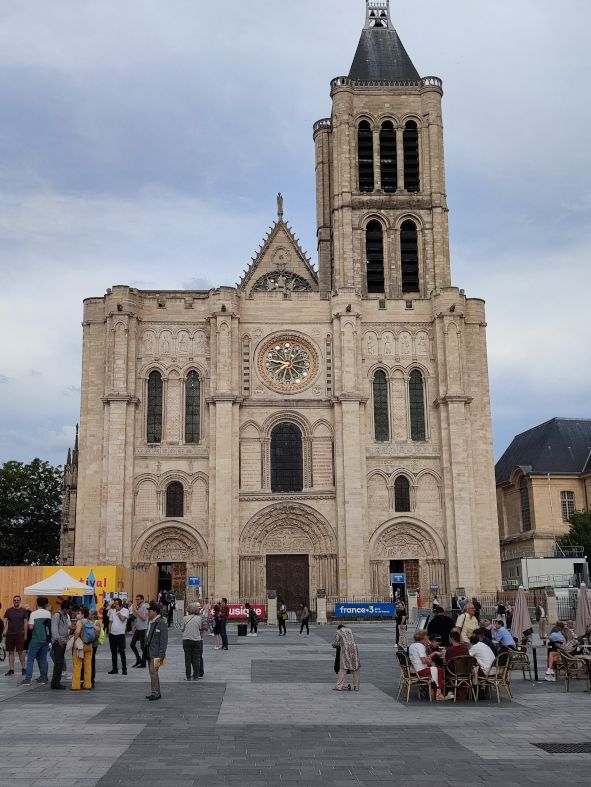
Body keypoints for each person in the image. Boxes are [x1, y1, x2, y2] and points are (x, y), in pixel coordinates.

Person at [408, 629, 448, 701]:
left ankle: (433, 692)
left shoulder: (412, 645)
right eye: (426, 637)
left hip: (415, 669)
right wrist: (431, 663)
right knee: (440, 671)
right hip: (421, 670)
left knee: (435, 670)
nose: (427, 638)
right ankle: (439, 693)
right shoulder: (420, 646)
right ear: (422, 638)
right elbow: (423, 660)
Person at [19, 597, 51, 686]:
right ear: (45, 604)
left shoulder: (33, 613)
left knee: (30, 659)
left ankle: (28, 679)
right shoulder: (48, 613)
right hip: (45, 639)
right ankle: (43, 678)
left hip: (36, 639)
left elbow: (30, 627)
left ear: (37, 604)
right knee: (43, 659)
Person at [146, 602, 168, 701]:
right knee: (153, 673)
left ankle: (154, 693)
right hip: (149, 653)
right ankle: (157, 692)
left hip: (157, 654)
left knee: (153, 672)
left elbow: (164, 641)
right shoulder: (151, 622)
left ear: (154, 612)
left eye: (149, 612)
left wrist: (161, 655)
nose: (148, 614)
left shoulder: (161, 623)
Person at [71, 607, 97, 691]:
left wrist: (74, 639)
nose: (78, 614)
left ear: (82, 614)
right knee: (88, 666)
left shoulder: (80, 622)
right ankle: (88, 684)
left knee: (77, 665)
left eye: (79, 613)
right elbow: (98, 629)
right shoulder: (90, 621)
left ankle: (75, 686)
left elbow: (78, 632)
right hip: (89, 645)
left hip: (81, 645)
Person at [3, 594, 28, 676]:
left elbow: (25, 623)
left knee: (21, 652)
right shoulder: (8, 610)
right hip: (10, 634)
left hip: (20, 633)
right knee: (10, 652)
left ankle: (23, 668)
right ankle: (11, 669)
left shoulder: (24, 611)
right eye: (15, 600)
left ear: (20, 601)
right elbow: (5, 621)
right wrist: (4, 631)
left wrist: (25, 634)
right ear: (13, 601)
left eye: (18, 600)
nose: (16, 601)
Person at [50, 599, 72, 690]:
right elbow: (54, 629)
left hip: (64, 641)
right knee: (58, 662)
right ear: (65, 608)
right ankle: (55, 682)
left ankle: (56, 681)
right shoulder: (57, 615)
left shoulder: (66, 615)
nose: (70, 610)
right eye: (69, 608)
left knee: (60, 662)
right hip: (58, 642)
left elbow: (66, 627)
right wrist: (59, 640)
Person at [332, 624, 361, 691]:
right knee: (355, 668)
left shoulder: (338, 632)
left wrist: (334, 644)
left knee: (343, 667)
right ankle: (356, 686)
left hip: (346, 650)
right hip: (354, 649)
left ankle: (339, 686)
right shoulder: (350, 630)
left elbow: (335, 643)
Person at [182, 602, 204, 681]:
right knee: (196, 658)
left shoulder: (185, 618)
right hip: (196, 640)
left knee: (187, 659)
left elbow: (182, 629)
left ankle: (188, 676)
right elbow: (200, 628)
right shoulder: (199, 618)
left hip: (186, 639)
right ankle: (196, 676)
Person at [108, 598, 129, 675]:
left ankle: (124, 669)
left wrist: (118, 612)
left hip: (120, 634)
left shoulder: (125, 611)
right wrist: (109, 632)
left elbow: (123, 619)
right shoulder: (112, 611)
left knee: (122, 652)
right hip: (112, 634)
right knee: (113, 652)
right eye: (114, 603)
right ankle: (114, 668)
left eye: (116, 604)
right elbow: (110, 622)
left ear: (120, 604)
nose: (115, 605)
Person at [130, 594, 149, 668]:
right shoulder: (139, 607)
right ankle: (138, 659)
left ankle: (143, 663)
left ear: (142, 600)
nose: (137, 601)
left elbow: (144, 618)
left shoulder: (145, 606)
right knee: (132, 644)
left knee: (142, 647)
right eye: (136, 599)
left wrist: (135, 610)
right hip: (138, 628)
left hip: (143, 629)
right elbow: (137, 618)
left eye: (138, 599)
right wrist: (134, 626)